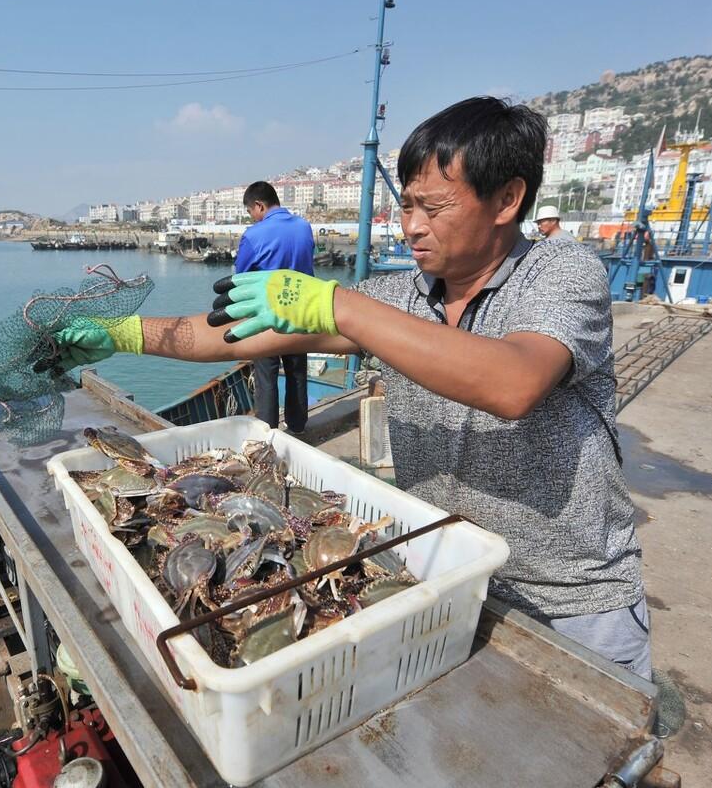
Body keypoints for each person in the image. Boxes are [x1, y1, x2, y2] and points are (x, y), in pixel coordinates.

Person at [47, 98, 651, 679]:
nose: (412, 226)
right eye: (406, 205)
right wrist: (121, 333)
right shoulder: (399, 298)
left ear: (507, 199)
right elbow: (228, 336)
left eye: (434, 207)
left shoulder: (561, 273)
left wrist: (337, 304)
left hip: (570, 602)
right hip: (440, 581)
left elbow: (514, 382)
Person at [234, 181, 316, 434]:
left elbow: (240, 278)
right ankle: (298, 428)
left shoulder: (253, 235)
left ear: (259, 205)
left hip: (266, 316)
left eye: (251, 211)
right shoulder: (304, 227)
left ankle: (267, 434)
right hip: (300, 312)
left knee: (266, 377)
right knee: (297, 372)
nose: (252, 216)